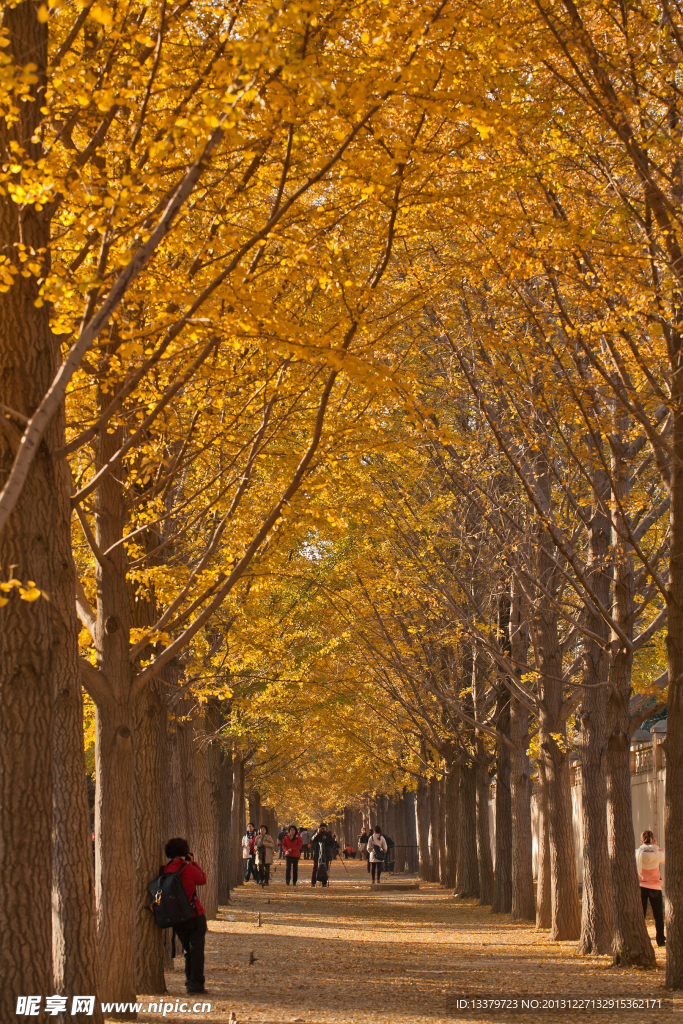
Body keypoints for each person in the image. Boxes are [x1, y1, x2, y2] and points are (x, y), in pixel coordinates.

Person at [163, 837, 208, 995]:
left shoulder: (166, 870)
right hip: (194, 914)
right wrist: (193, 862)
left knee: (188, 950)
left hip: (177, 917)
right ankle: (195, 983)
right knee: (197, 950)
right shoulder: (187, 868)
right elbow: (202, 879)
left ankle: (190, 980)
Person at [636, 829, 666, 947]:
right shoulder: (657, 852)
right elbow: (663, 859)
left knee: (641, 915)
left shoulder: (638, 853)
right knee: (658, 915)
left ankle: (641, 940)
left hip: (641, 886)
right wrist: (657, 847)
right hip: (655, 886)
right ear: (653, 840)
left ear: (642, 840)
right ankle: (660, 940)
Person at [310, 822, 335, 887]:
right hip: (317, 853)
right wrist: (317, 833)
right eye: (321, 828)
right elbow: (312, 840)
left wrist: (326, 839)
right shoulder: (317, 834)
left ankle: (324, 882)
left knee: (325, 868)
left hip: (326, 854)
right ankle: (313, 882)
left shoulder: (328, 834)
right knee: (315, 868)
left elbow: (332, 843)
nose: (323, 829)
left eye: (324, 828)